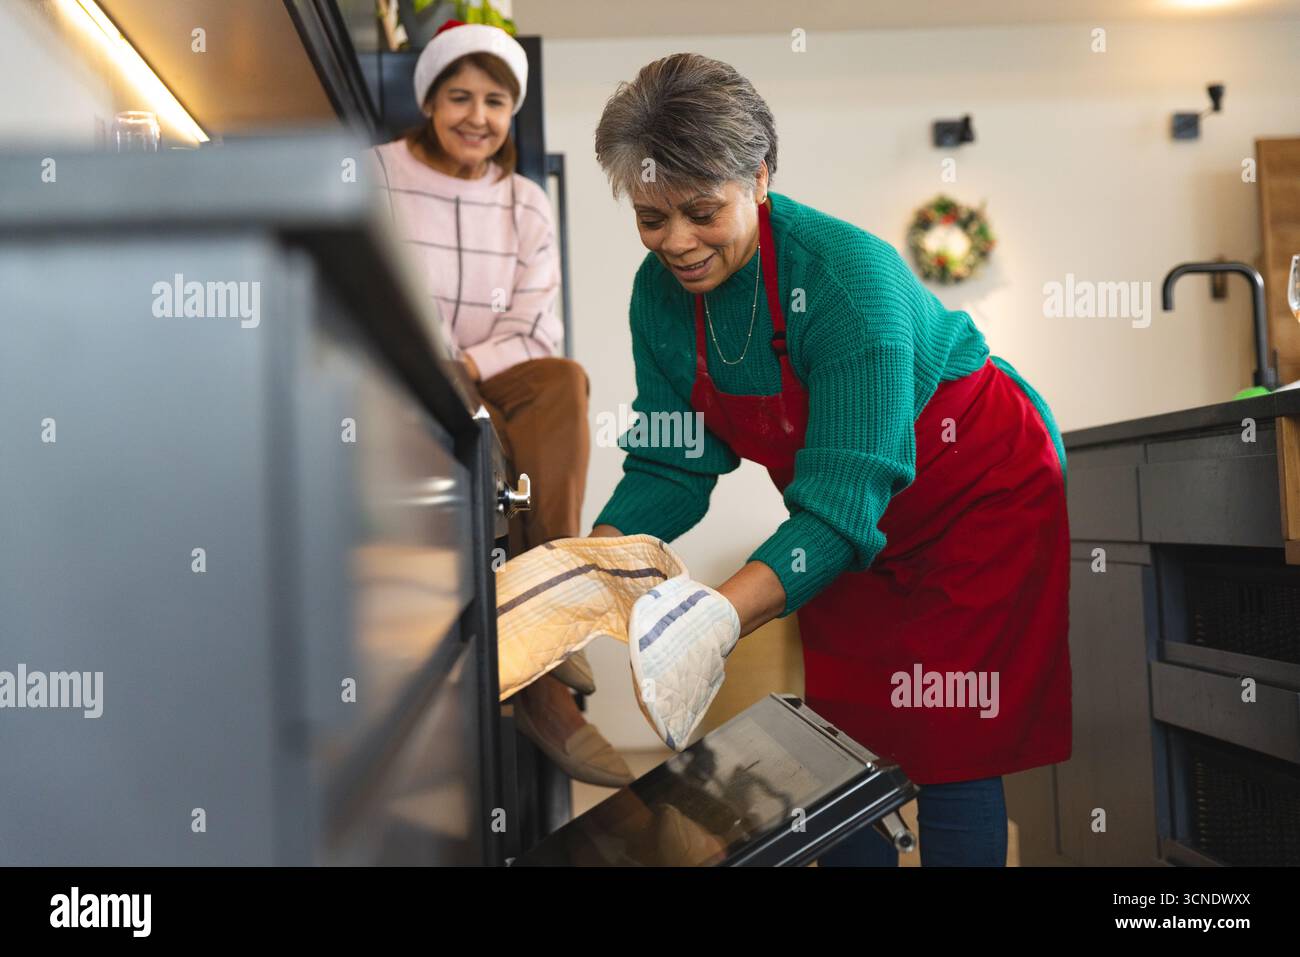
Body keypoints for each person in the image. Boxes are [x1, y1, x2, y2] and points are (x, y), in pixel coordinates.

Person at [587, 53, 1072, 865]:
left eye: (701, 211)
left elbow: (841, 507)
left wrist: (713, 621)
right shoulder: (657, 297)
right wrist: (590, 571)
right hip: (841, 512)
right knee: (842, 736)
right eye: (650, 217)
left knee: (949, 741)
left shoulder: (848, 282)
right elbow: (673, 462)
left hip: (979, 494)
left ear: (761, 176)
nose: (676, 243)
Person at [370, 19, 632, 788]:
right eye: (459, 97)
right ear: (429, 101)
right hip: (409, 373)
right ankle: (545, 683)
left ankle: (548, 598)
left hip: (493, 366)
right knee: (479, 421)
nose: (477, 117)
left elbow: (537, 326)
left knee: (564, 382)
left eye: (495, 101)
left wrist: (471, 363)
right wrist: (440, 365)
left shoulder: (524, 201)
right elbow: (370, 288)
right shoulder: (378, 174)